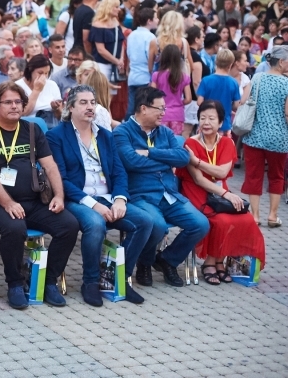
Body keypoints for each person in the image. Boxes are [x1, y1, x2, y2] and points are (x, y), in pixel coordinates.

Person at [0, 81, 79, 309]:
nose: (14, 106)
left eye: (18, 102)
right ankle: (15, 284)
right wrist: (8, 203)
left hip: (33, 200)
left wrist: (59, 196)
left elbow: (50, 167)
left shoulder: (32, 130)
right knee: (15, 228)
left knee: (69, 225)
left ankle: (47, 281)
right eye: (8, 102)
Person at [46, 86, 153, 306]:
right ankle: (91, 282)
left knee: (145, 221)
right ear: (70, 107)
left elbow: (118, 171)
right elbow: (61, 179)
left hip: (108, 196)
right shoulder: (56, 136)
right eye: (83, 102)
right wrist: (94, 205)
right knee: (95, 225)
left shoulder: (104, 135)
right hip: (78, 198)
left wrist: (121, 198)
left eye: (93, 102)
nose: (90, 107)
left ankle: (119, 279)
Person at [114, 87, 210, 288]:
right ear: (143, 108)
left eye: (164, 108)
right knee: (157, 226)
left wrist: (150, 152)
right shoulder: (122, 132)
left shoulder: (165, 132)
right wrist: (168, 161)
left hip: (169, 194)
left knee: (200, 224)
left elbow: (183, 157)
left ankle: (167, 260)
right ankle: (145, 263)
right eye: (159, 109)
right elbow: (132, 162)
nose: (163, 113)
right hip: (141, 195)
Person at [176, 100, 265, 284]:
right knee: (222, 220)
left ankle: (220, 261)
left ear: (221, 122)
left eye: (211, 118)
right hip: (197, 192)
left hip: (218, 193)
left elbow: (223, 172)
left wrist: (198, 162)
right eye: (202, 118)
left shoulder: (227, 142)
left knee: (246, 219)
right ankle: (210, 262)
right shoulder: (190, 144)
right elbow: (199, 179)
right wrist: (226, 194)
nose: (206, 122)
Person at [240, 46, 288, 227]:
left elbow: (244, 101)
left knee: (254, 175)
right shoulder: (287, 83)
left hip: (254, 136)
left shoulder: (257, 78)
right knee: (276, 176)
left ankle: (255, 215)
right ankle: (273, 215)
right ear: (281, 62)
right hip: (279, 137)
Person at [150, 44, 192, 136]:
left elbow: (151, 95)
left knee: (161, 140)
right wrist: (179, 102)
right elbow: (188, 99)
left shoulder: (156, 75)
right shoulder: (184, 77)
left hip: (160, 114)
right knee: (175, 142)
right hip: (177, 114)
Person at [196, 49, 240, 134]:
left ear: (216, 62)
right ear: (230, 65)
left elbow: (199, 102)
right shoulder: (234, 82)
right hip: (224, 124)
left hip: (207, 123)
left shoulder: (206, 80)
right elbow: (236, 105)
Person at [126, 8, 158, 117]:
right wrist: (151, 74)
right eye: (156, 18)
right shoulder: (151, 37)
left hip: (133, 76)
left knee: (131, 108)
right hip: (144, 76)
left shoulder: (132, 35)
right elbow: (150, 58)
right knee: (143, 109)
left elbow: (129, 54)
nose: (157, 20)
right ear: (149, 21)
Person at [18, 54, 63, 129]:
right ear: (30, 70)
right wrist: (36, 90)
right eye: (40, 73)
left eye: (46, 73)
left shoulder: (52, 85)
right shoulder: (18, 86)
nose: (44, 77)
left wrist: (56, 108)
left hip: (51, 126)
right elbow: (23, 113)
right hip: (28, 127)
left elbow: (60, 116)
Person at [87, 0, 125, 81]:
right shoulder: (98, 25)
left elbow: (120, 41)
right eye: (116, 7)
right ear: (109, 8)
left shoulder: (116, 22)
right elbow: (101, 50)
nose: (119, 9)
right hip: (102, 64)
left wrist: (121, 59)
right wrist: (117, 61)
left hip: (116, 64)